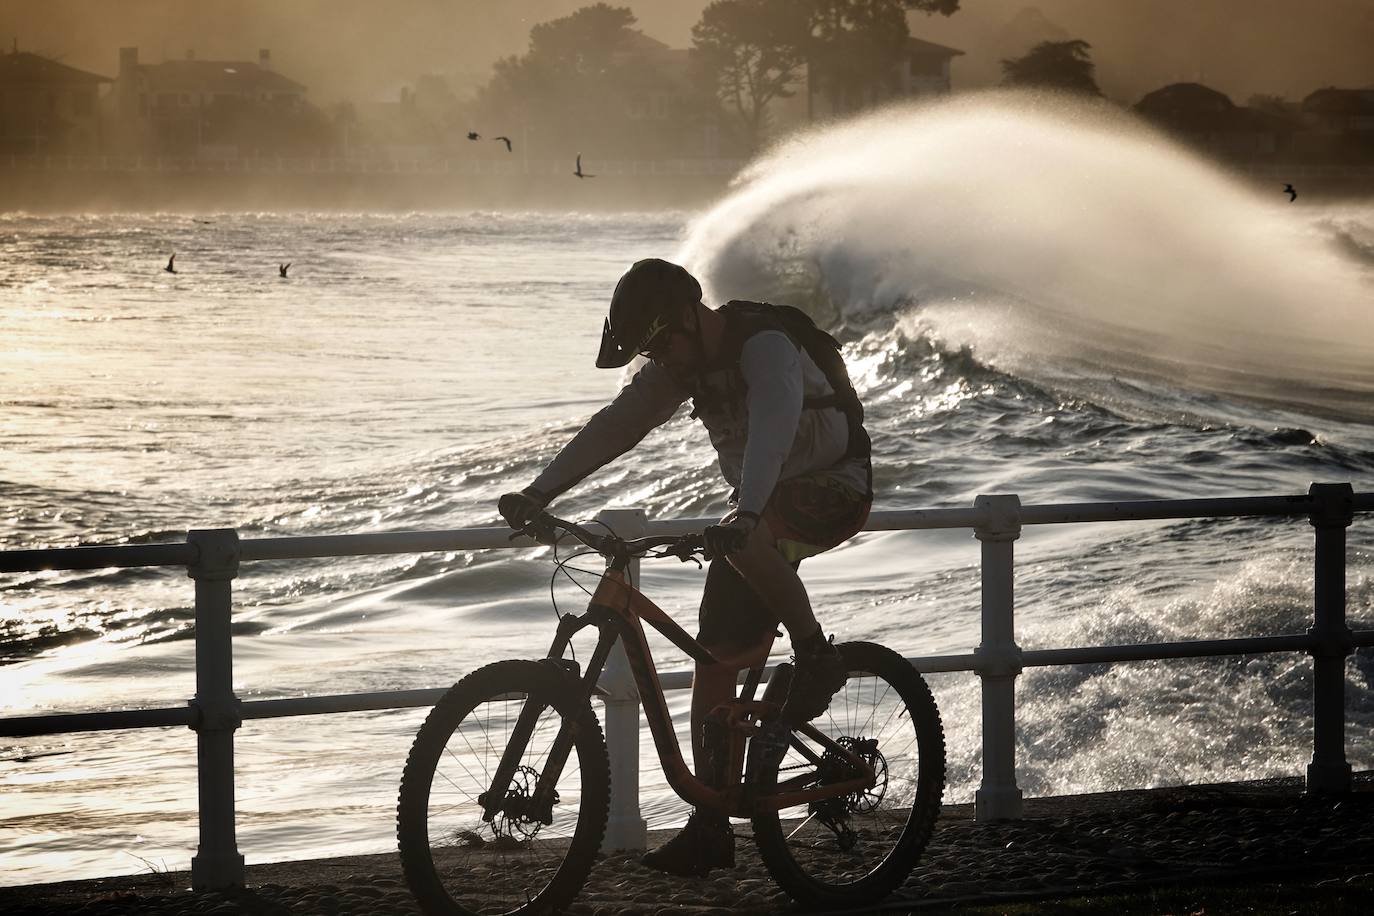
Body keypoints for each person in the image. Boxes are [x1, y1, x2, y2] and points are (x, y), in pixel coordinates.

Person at [497, 257, 872, 877]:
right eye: (654, 351)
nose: (663, 361)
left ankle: (816, 655)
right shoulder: (682, 361)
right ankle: (710, 827)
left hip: (832, 486)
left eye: (664, 343)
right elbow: (615, 426)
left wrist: (747, 513)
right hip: (753, 512)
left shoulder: (765, 346)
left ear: (692, 319)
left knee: (745, 545)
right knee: (713, 661)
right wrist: (540, 493)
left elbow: (774, 433)